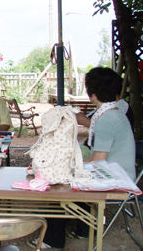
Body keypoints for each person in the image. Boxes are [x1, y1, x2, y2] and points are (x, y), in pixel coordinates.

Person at [28, 67, 136, 249]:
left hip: (116, 179)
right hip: (121, 172)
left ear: (91, 94)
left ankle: (51, 241)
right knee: (65, 175)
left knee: (59, 187)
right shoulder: (115, 112)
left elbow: (98, 162)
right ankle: (85, 230)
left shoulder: (106, 120)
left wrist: (68, 166)